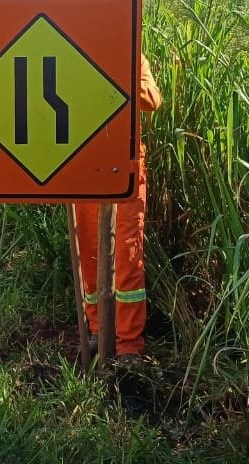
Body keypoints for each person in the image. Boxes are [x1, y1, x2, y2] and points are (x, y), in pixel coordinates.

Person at [73, 52, 162, 358]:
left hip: (126, 174)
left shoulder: (134, 58)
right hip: (84, 167)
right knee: (89, 254)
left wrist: (120, 71)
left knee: (127, 257)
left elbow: (153, 100)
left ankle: (128, 345)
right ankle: (98, 330)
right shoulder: (76, 52)